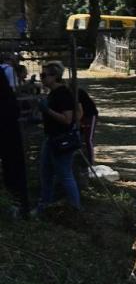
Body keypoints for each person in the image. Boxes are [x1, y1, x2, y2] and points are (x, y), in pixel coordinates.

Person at [37, 62, 82, 212]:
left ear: (54, 76)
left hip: (62, 140)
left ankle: (76, 209)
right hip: (51, 138)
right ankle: (44, 206)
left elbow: (67, 119)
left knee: (65, 175)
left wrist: (47, 110)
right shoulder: (53, 93)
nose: (41, 78)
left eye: (44, 75)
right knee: (46, 174)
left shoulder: (62, 94)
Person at [0, 63, 29, 217]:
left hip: (6, 123)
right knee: (13, 165)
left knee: (12, 165)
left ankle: (17, 204)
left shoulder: (4, 72)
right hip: (8, 121)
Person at [77, 88, 98, 165]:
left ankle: (91, 162)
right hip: (81, 116)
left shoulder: (76, 93)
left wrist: (76, 122)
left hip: (90, 115)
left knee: (88, 139)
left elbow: (80, 111)